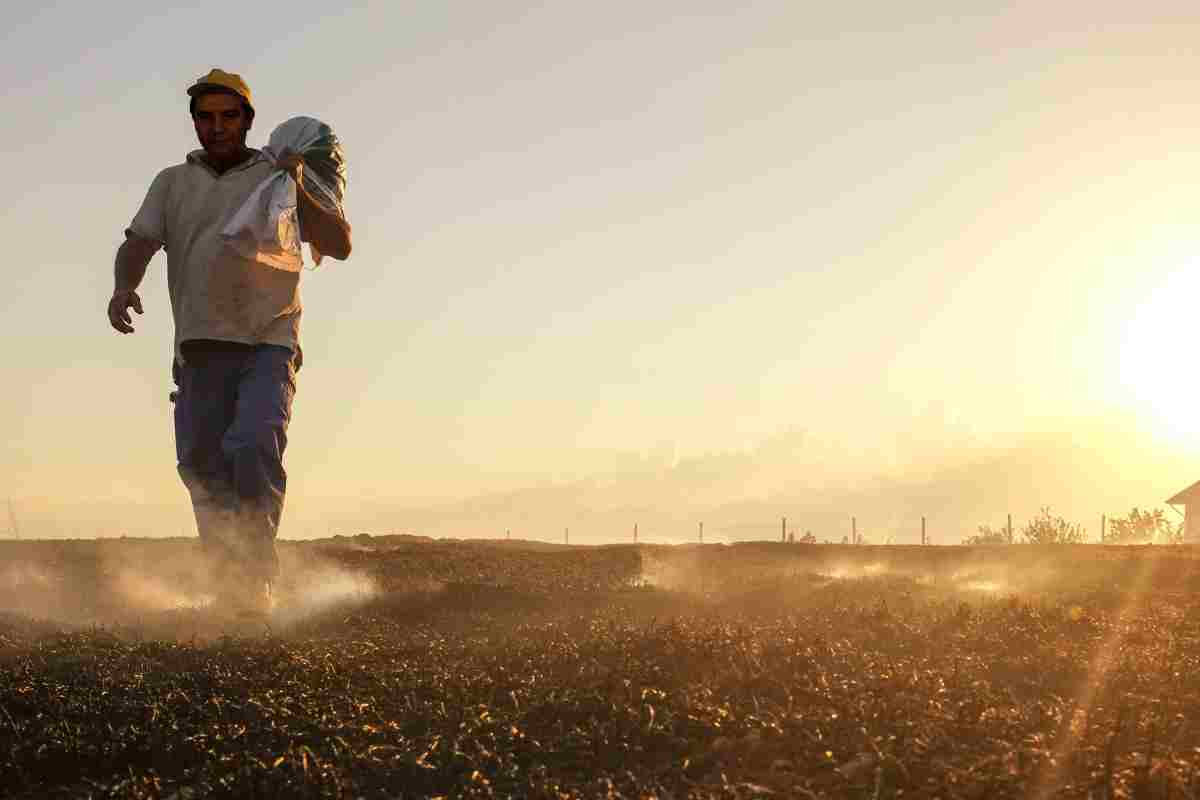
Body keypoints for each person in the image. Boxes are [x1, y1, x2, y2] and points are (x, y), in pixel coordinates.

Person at [107, 69, 352, 615]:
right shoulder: (172, 182)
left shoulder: (277, 173)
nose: (217, 127)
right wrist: (124, 285)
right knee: (201, 463)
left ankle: (256, 583)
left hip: (269, 339)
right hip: (199, 344)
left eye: (229, 116)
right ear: (194, 122)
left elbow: (338, 244)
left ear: (247, 121)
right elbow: (139, 243)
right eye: (206, 117)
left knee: (253, 443)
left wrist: (301, 180)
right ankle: (227, 579)